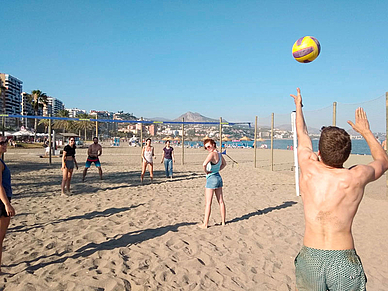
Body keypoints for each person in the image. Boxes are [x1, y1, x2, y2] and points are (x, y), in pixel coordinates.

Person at [291, 88, 388, 291]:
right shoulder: (355, 177)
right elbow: (383, 161)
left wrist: (298, 107)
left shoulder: (308, 167)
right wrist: (366, 131)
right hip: (343, 259)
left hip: (311, 259)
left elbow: (302, 134)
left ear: (319, 152)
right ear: (347, 154)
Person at [199, 138, 227, 229]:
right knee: (221, 201)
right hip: (218, 177)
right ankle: (223, 221)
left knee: (208, 203)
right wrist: (218, 169)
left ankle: (205, 224)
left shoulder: (212, 154)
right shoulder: (219, 154)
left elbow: (204, 164)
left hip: (211, 178)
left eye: (209, 146)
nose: (208, 149)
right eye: (206, 148)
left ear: (213, 145)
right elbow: (224, 164)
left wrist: (206, 171)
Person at [0, 136, 15, 273]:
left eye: (5, 142)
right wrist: (7, 204)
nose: (5, 144)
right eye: (1, 143)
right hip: (1, 201)